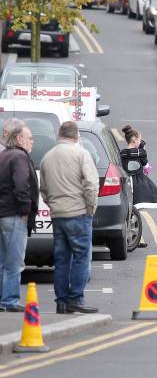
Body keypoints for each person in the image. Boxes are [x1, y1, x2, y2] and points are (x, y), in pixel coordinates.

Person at [39, 122, 99, 314]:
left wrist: (53, 206)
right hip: (79, 212)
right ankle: (76, 298)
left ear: (59, 134)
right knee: (81, 256)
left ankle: (62, 301)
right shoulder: (81, 154)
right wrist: (90, 208)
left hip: (58, 215)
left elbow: (44, 189)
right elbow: (91, 183)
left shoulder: (47, 157)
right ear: (77, 136)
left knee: (62, 259)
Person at [0, 122, 37, 312]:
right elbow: (21, 183)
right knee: (14, 261)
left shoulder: (4, 155)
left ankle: (2, 300)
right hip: (14, 215)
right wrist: (25, 209)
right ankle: (10, 300)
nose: (32, 141)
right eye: (29, 138)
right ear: (19, 139)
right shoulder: (19, 156)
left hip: (2, 213)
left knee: (2, 261)